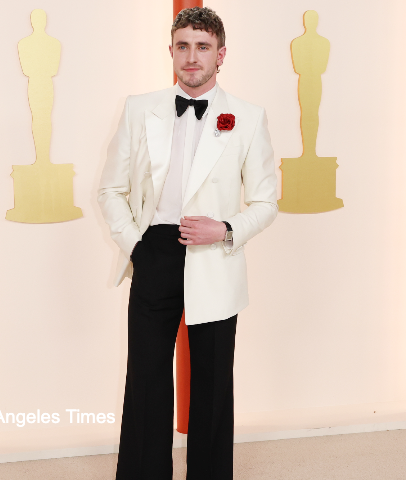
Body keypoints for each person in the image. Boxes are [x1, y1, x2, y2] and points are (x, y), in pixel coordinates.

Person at [98, 7, 278, 479]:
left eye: (202, 47)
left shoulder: (248, 117)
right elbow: (110, 190)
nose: (191, 56)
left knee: (214, 384)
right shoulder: (140, 108)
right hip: (154, 251)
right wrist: (136, 245)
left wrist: (225, 229)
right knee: (147, 380)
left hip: (215, 255)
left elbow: (266, 202)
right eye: (183, 46)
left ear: (221, 55)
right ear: (171, 52)